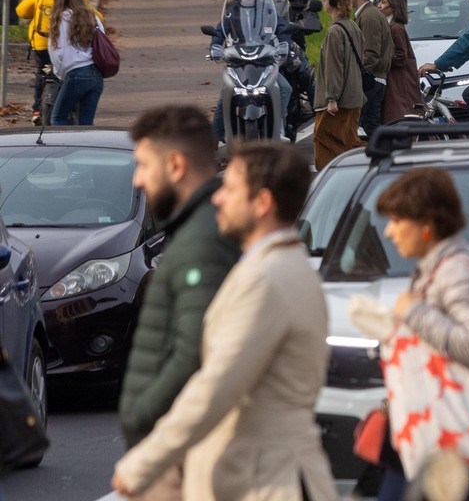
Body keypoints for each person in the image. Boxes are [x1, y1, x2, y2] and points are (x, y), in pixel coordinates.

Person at [112, 142, 335, 500]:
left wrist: (145, 461)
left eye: (230, 189)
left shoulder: (265, 279)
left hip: (265, 480)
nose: (218, 199)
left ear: (261, 203)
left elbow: (218, 383)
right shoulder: (285, 267)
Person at [118, 105, 241, 501]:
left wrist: (140, 415)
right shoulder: (199, 228)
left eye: (143, 165)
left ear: (174, 165)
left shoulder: (202, 240)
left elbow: (193, 352)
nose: (137, 179)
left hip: (178, 458)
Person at [374, 168, 469, 501]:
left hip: (452, 436)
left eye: (397, 221)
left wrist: (414, 313)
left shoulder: (458, 269)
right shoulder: (439, 265)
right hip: (438, 432)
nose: (388, 232)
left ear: (426, 225)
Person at [209, 0, 294, 142]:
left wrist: (285, 44)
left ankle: (278, 128)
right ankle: (214, 139)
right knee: (225, 94)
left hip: (264, 60)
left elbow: (283, 30)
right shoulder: (230, 14)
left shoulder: (269, 12)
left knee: (285, 88)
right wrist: (215, 47)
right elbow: (219, 33)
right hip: (238, 62)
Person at [16, 0, 96, 124]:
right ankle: (71, 105)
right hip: (68, 44)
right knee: (69, 75)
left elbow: (22, 11)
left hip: (43, 44)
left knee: (43, 72)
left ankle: (37, 110)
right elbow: (96, 17)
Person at [315, 0, 366, 170]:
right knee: (348, 141)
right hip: (354, 96)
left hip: (338, 101)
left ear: (333, 1)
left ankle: (328, 184)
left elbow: (334, 67)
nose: (322, 1)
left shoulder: (335, 31)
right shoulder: (353, 27)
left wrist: (331, 98)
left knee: (324, 143)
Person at [49, 0, 106, 125]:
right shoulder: (92, 17)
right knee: (86, 123)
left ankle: (63, 147)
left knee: (58, 117)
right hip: (96, 75)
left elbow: (58, 53)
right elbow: (103, 42)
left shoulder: (61, 19)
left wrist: (61, 75)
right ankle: (86, 147)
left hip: (76, 74)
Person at [350, 0, 394, 138]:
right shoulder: (368, 14)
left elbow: (370, 54)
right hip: (375, 79)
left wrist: (354, 75)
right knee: (371, 126)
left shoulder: (369, 16)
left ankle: (384, 156)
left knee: (365, 126)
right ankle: (383, 157)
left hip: (371, 80)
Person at [377, 0, 422, 124]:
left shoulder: (395, 27)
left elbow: (401, 55)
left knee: (400, 113)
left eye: (383, 2)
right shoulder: (391, 25)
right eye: (380, 1)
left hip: (399, 80)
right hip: (397, 79)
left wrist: (381, 59)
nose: (379, 5)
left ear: (394, 6)